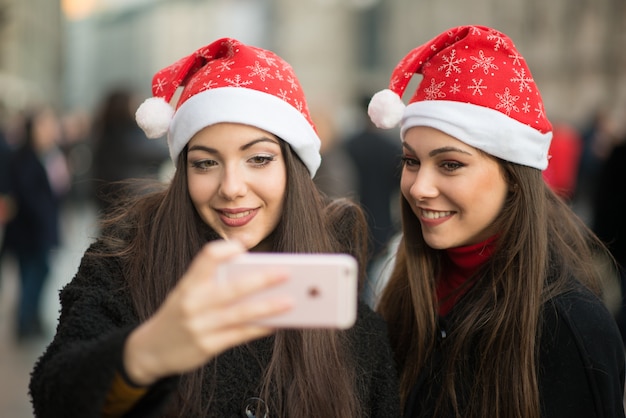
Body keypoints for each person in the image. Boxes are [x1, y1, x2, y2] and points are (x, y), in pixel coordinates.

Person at [29, 38, 400, 418]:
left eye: (258, 158)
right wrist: (147, 352)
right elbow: (55, 395)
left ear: (294, 169)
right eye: (205, 163)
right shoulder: (121, 266)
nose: (232, 187)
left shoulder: (344, 313)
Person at [368, 25, 625, 418]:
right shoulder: (405, 290)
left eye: (450, 164)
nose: (419, 188)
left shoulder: (569, 327)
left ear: (514, 178)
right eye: (410, 161)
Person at [2, 106, 70, 341]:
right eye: (44, 125)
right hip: (28, 230)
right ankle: (24, 322)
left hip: (43, 228)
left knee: (40, 273)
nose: (49, 130)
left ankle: (31, 318)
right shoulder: (22, 157)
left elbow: (59, 189)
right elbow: (28, 195)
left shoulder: (51, 154)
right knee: (31, 275)